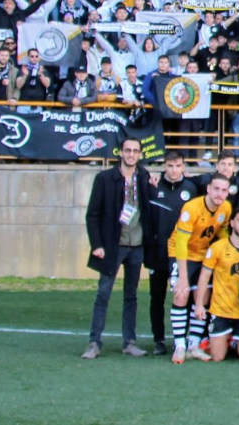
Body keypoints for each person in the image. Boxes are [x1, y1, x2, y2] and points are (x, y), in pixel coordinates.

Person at [81, 137, 150, 360]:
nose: (131, 154)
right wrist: (97, 245)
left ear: (140, 154)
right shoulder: (105, 178)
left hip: (137, 245)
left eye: (135, 151)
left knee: (131, 295)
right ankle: (94, 342)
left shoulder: (145, 177)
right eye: (127, 150)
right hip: (113, 246)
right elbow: (92, 215)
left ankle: (129, 342)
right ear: (120, 152)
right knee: (103, 293)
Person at [168, 173, 232, 363]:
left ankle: (193, 345)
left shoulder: (226, 208)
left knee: (202, 297)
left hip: (202, 255)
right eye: (217, 189)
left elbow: (221, 230)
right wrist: (183, 277)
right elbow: (180, 243)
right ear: (208, 189)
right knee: (181, 293)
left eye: (224, 190)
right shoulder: (192, 208)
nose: (220, 194)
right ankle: (179, 345)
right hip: (181, 254)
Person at [145, 151, 199, 354]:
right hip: (158, 253)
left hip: (183, 254)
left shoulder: (192, 187)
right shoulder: (153, 185)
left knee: (184, 294)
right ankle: (158, 340)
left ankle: (182, 339)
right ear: (164, 166)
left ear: (184, 166)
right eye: (170, 166)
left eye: (178, 166)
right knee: (157, 297)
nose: (174, 170)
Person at [194, 209, 239, 362]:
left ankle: (232, 341)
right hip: (221, 310)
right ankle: (214, 341)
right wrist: (199, 304)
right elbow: (204, 276)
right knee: (217, 357)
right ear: (232, 223)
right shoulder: (217, 247)